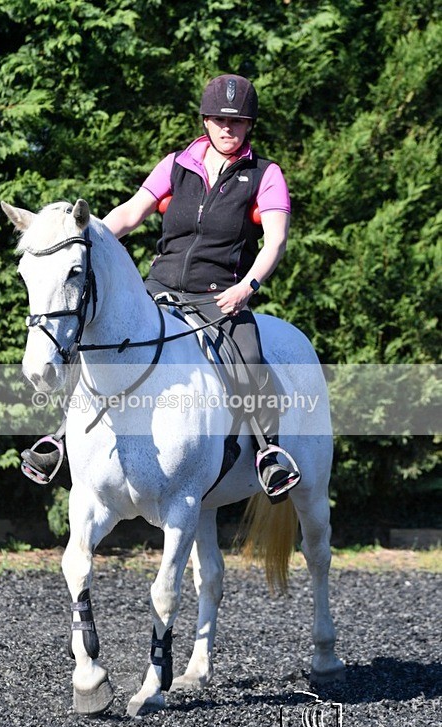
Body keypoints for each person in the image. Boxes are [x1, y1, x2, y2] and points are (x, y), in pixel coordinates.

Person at [21, 74, 301, 501]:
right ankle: (61, 436)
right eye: (219, 120)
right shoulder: (176, 164)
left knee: (249, 358)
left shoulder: (265, 174)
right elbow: (131, 213)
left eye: (238, 122)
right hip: (161, 287)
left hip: (221, 294)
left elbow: (276, 240)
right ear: (205, 121)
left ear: (249, 125)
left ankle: (268, 452)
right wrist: (84, 240)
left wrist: (248, 286)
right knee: (96, 338)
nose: (228, 129)